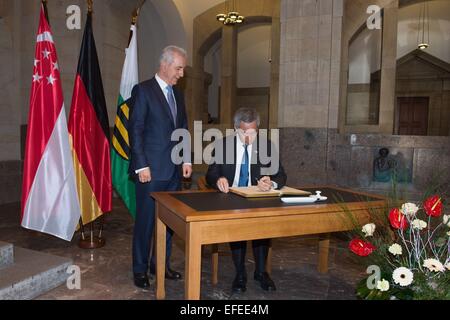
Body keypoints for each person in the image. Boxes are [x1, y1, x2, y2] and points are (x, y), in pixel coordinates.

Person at [129, 46, 192, 289]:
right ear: (165, 65)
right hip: (150, 172)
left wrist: (186, 159)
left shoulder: (178, 94)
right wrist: (141, 165)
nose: (181, 74)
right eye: (179, 68)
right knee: (145, 221)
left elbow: (183, 127)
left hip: (174, 171)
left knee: (169, 223)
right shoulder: (143, 90)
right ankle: (140, 269)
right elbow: (136, 130)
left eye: (183, 69)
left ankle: (161, 265)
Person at [206, 107, 287, 293]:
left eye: (252, 132)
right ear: (235, 129)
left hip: (258, 198)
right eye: (243, 132)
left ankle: (261, 272)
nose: (248, 137)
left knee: (263, 226)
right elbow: (211, 174)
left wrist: (271, 183)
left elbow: (281, 176)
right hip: (231, 197)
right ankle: (240, 273)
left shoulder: (266, 147)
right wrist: (218, 180)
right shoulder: (222, 146)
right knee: (237, 228)